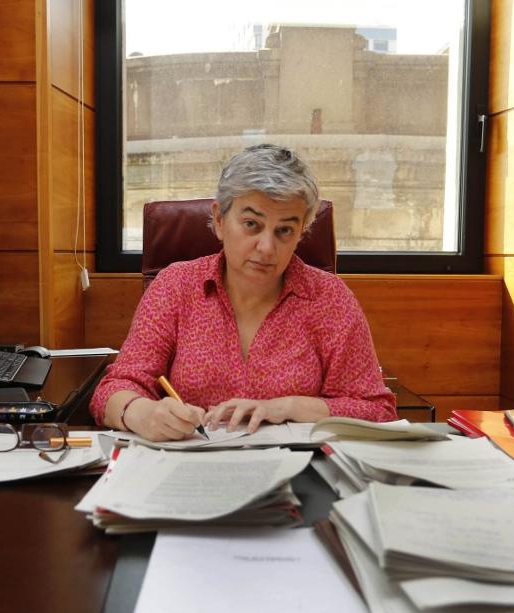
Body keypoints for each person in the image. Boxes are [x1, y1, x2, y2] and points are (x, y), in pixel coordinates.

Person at [90, 144, 396, 441]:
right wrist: (143, 413)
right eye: (251, 224)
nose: (266, 248)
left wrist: (286, 407)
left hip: (299, 473)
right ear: (220, 220)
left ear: (301, 232)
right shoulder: (176, 286)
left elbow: (377, 411)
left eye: (284, 231)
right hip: (193, 468)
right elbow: (113, 390)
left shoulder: (329, 298)